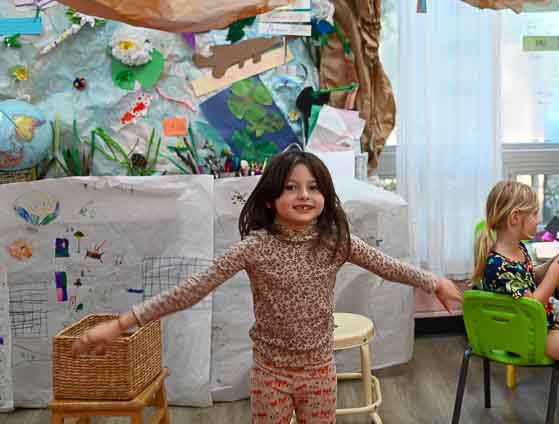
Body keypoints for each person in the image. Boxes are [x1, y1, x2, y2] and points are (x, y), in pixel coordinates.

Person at [74, 150, 462, 423]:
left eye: (313, 187)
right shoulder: (255, 247)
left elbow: (388, 266)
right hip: (270, 372)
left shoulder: (334, 241)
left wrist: (436, 281)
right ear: (271, 199)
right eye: (291, 188)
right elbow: (191, 290)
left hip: (318, 369)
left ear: (325, 196)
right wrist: (122, 323)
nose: (304, 195)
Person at [474, 180, 559, 423]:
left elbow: (529, 278)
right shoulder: (497, 265)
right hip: (528, 331)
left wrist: (554, 263)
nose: (538, 219)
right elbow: (533, 305)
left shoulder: (516, 248)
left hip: (541, 317)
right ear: (514, 218)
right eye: (534, 214)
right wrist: (558, 269)